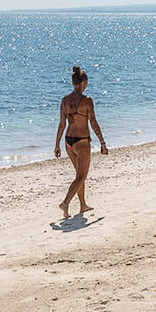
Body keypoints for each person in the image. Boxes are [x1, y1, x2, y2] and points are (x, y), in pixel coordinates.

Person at [54, 65, 108, 220]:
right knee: (82, 176)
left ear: (73, 83)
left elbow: (61, 125)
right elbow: (93, 123)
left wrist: (57, 144)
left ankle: (83, 204)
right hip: (81, 142)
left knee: (79, 175)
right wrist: (102, 143)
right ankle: (65, 203)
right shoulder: (87, 101)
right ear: (84, 82)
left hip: (68, 142)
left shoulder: (64, 101)